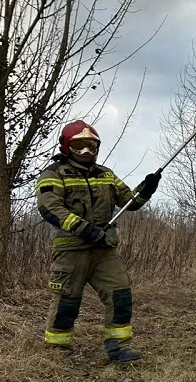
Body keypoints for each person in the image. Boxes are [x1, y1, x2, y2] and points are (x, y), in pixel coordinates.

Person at [35, 120, 161, 362]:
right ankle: (57, 349)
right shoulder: (53, 174)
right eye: (79, 146)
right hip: (72, 250)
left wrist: (146, 189)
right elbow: (50, 208)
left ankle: (119, 347)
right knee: (67, 299)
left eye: (91, 146)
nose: (86, 151)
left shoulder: (106, 175)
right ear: (66, 147)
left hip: (104, 249)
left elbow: (129, 202)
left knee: (120, 295)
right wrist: (85, 229)